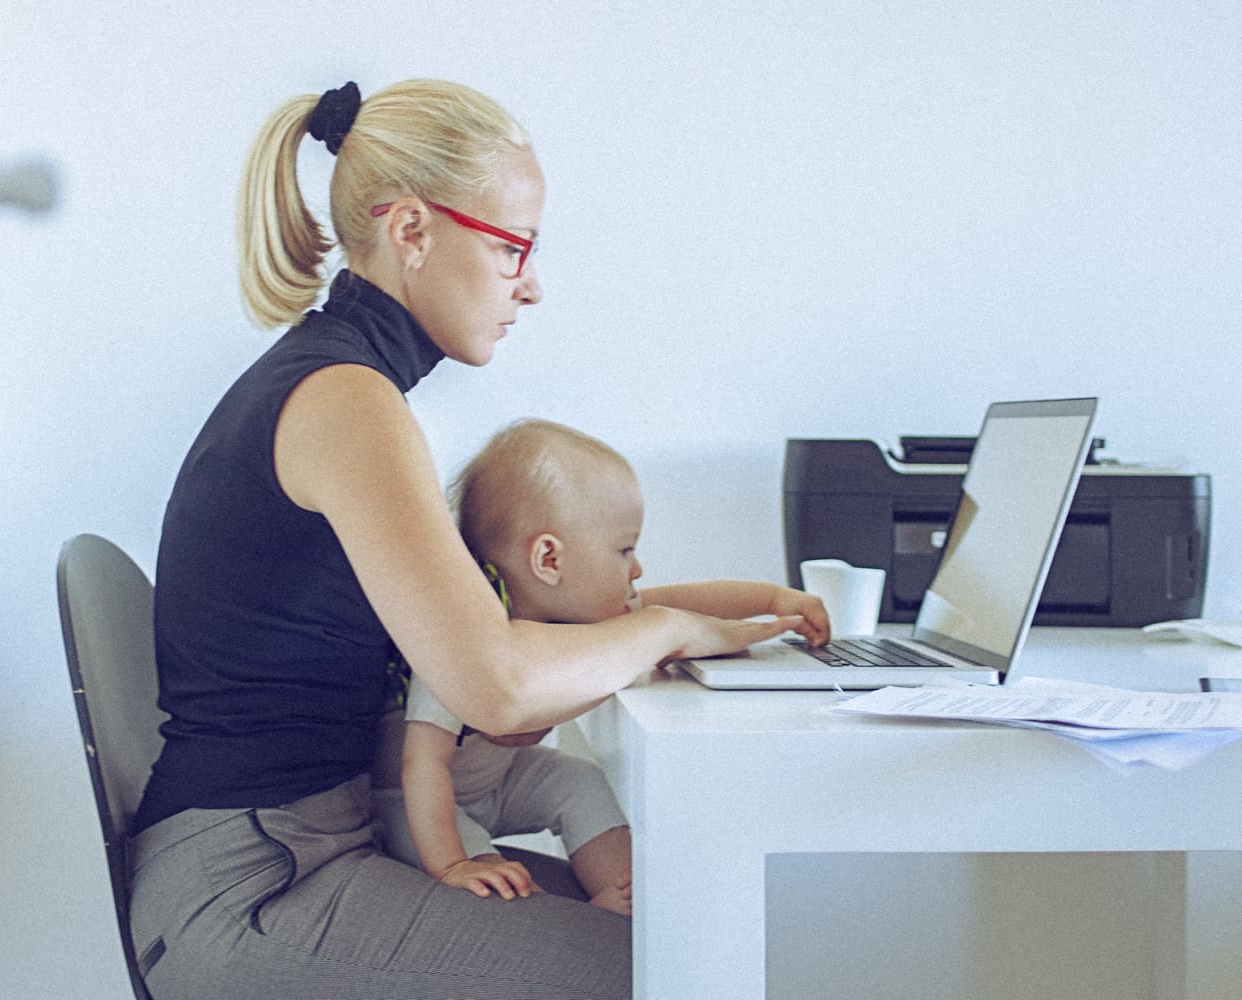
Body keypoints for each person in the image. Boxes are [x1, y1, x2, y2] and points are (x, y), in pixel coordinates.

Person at [130, 79, 811, 1000]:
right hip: (254, 886)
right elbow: (494, 682)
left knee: (687, 924)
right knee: (671, 973)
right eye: (510, 247)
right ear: (412, 231)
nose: (530, 284)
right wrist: (668, 631)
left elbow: (498, 640)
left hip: (304, 848)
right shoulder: (345, 401)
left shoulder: (351, 388)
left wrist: (705, 611)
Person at [373, 419, 832, 918]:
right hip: (417, 802)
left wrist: (771, 598)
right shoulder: (463, 636)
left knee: (579, 781)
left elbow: (676, 604)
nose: (637, 570)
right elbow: (421, 762)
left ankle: (624, 892)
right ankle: (528, 908)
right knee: (491, 878)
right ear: (549, 559)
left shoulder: (579, 615)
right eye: (624, 550)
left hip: (499, 783)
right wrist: (453, 863)